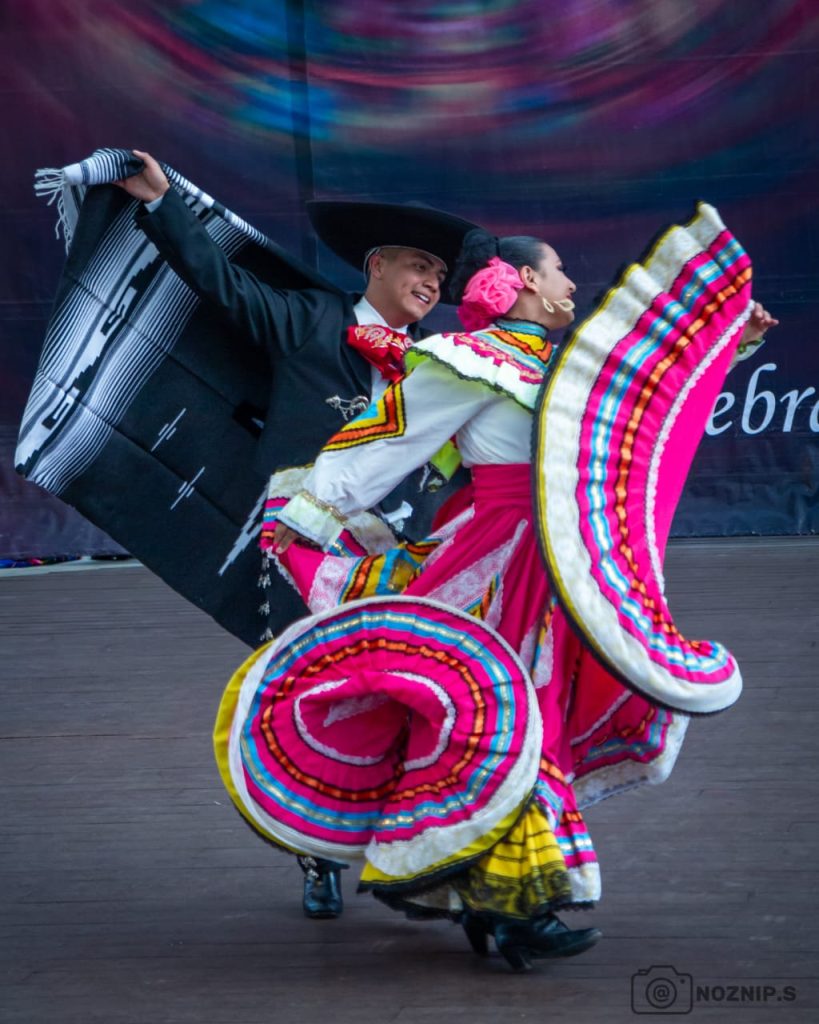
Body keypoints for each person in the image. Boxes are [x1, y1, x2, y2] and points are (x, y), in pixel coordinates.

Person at [215, 219, 776, 971]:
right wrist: (307, 517)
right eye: (557, 270)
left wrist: (727, 344)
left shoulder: (563, 368)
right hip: (499, 563)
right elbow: (390, 439)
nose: (572, 283)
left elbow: (649, 428)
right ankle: (514, 908)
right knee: (512, 720)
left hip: (561, 564)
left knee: (519, 722)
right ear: (518, 283)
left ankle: (484, 896)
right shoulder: (469, 361)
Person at [114, 151, 478, 921]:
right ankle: (317, 856)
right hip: (306, 549)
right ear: (375, 266)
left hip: (399, 556)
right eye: (418, 267)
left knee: (413, 693)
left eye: (439, 278)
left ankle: (415, 855)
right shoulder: (312, 321)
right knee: (317, 693)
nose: (429, 285)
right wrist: (159, 201)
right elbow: (221, 283)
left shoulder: (438, 365)